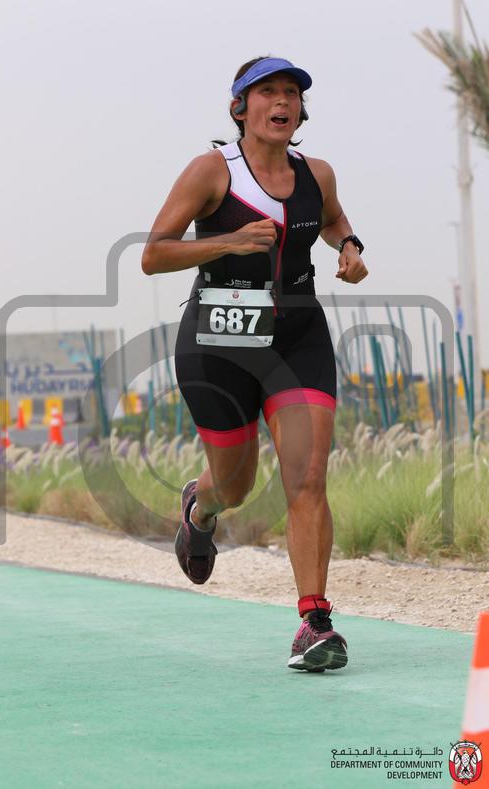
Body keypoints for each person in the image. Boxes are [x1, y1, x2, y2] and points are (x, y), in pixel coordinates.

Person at [142, 55, 368, 672]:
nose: (282, 101)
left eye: (291, 92)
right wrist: (230, 241)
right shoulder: (212, 170)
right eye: (268, 91)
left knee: (308, 476)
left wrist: (349, 246)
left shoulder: (317, 173)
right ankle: (201, 507)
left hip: (297, 335)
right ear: (240, 107)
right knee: (235, 486)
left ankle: (314, 623)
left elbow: (332, 218)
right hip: (219, 342)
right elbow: (154, 254)